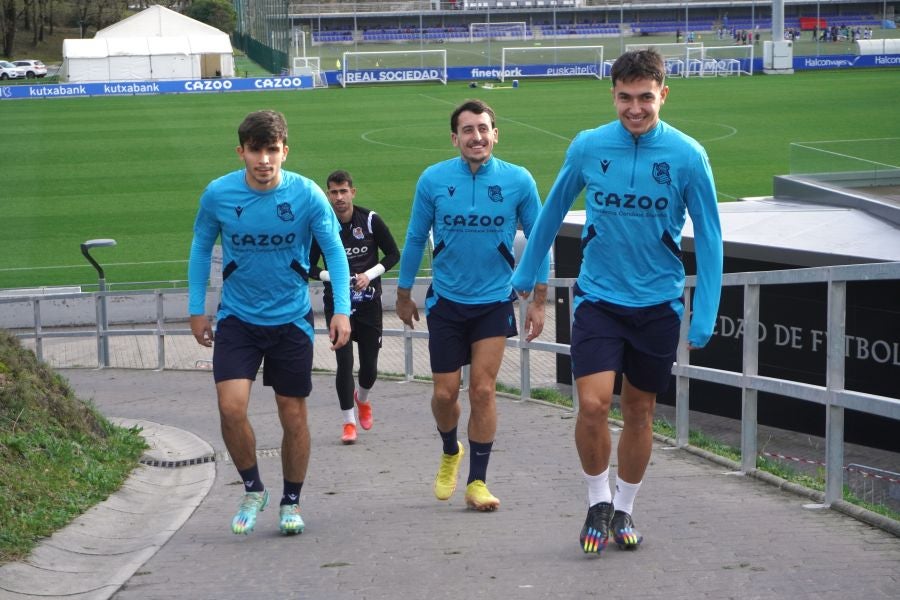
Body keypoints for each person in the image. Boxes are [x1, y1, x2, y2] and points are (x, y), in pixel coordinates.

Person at [512, 49, 723, 553]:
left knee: (640, 411)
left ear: (663, 94)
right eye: (625, 97)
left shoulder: (688, 155)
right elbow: (552, 211)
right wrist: (526, 270)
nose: (635, 108)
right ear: (613, 95)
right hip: (598, 298)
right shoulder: (588, 146)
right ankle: (597, 501)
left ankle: (625, 508)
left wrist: (705, 312)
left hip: (658, 304)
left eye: (645, 97)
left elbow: (711, 236)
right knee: (591, 405)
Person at [188, 110, 352, 536]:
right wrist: (196, 307)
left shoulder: (307, 194)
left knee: (292, 415)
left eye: (272, 150)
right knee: (230, 408)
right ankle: (253, 489)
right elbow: (201, 247)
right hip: (237, 318)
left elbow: (334, 252)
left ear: (285, 151)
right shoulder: (219, 194)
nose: (264, 159)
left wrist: (341, 310)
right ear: (241, 151)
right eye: (255, 150)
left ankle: (291, 501)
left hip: (291, 319)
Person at [396, 99, 550, 512]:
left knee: (482, 390)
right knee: (445, 395)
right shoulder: (433, 179)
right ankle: (451, 450)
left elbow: (539, 239)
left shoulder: (518, 180)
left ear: (496, 134)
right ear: (455, 138)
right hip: (447, 303)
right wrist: (403, 293)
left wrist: (539, 299)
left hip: (493, 302)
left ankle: (478, 482)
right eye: (468, 130)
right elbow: (415, 237)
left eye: (483, 129)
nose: (476, 137)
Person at [309, 170, 400, 445]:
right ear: (328, 195)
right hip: (338, 306)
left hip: (369, 303)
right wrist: (333, 277)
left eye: (343, 191)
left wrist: (368, 276)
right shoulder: (322, 225)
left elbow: (393, 254)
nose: (339, 197)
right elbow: (307, 265)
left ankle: (362, 398)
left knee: (369, 367)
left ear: (352, 192)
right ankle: (348, 422)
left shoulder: (370, 220)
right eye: (333, 192)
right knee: (344, 363)